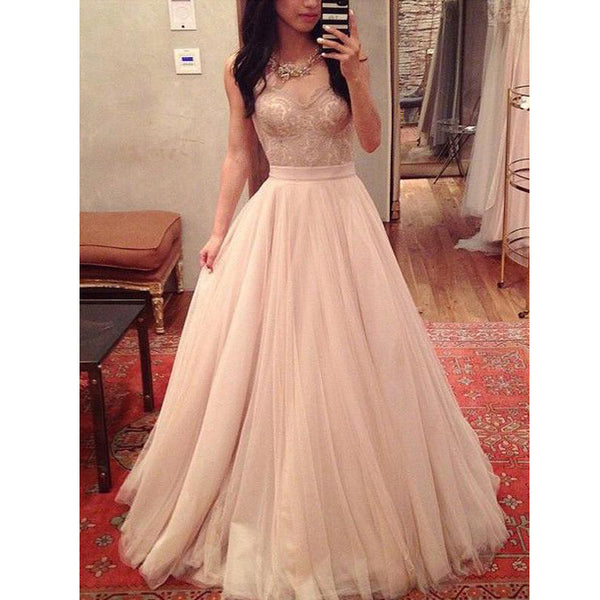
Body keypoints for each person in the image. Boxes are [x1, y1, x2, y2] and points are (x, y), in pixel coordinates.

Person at [115, 1, 510, 597]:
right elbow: (239, 154)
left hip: (343, 214)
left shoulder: (346, 60)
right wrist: (219, 230)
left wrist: (357, 77)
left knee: (357, 349)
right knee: (271, 354)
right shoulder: (242, 67)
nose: (308, 2)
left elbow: (372, 142)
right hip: (278, 215)